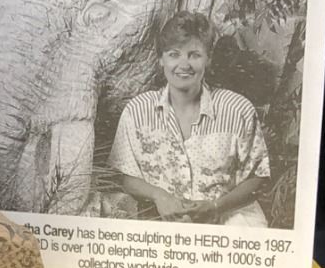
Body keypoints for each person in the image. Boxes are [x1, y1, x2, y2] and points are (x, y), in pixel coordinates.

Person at [106, 14, 270, 225]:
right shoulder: (137, 110)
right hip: (162, 221)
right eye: (174, 54)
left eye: (194, 55)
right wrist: (159, 195)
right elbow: (124, 176)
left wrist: (216, 207)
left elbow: (258, 177)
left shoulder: (237, 109)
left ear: (208, 59)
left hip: (228, 219)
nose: (184, 64)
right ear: (161, 59)